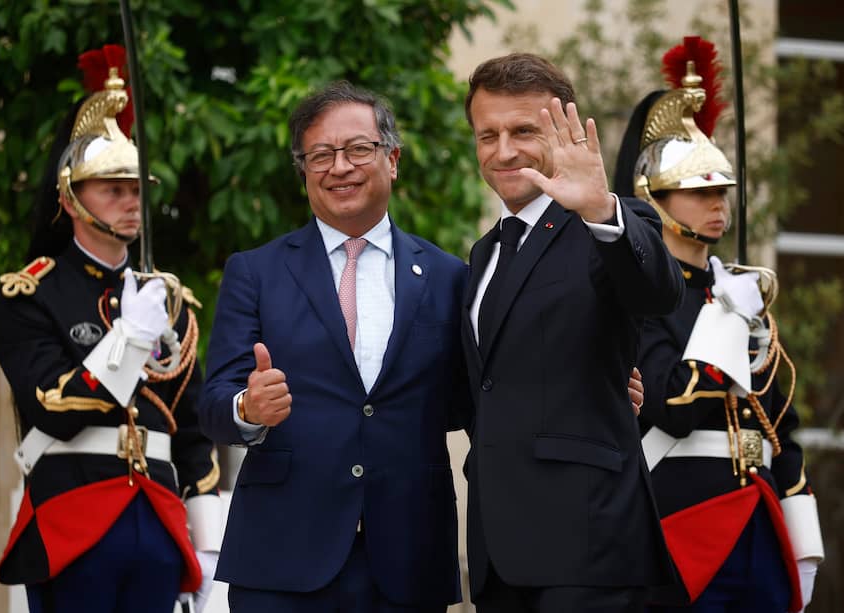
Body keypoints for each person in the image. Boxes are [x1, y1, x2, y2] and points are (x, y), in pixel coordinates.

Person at [198, 80, 470, 612]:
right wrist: (247, 409)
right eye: (320, 155)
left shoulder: (448, 275)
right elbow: (212, 406)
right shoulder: (255, 272)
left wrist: (587, 392)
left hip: (409, 555)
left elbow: (475, 398)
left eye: (358, 149)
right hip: (283, 558)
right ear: (304, 170)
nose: (339, 167)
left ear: (391, 159)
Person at [0, 45, 222, 613]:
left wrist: (210, 541)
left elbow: (191, 431)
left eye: (137, 189)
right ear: (71, 199)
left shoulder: (170, 300)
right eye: (113, 190)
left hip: (161, 521)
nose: (130, 202)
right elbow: (51, 403)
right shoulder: (31, 291)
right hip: (76, 516)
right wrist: (129, 340)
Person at [461, 52, 685, 612]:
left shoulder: (608, 222)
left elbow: (657, 293)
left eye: (523, 131)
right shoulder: (484, 252)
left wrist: (601, 210)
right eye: (487, 135)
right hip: (498, 547)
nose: (503, 150)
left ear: (563, 130)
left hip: (588, 541)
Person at [613, 36, 824, 612]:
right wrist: (729, 314)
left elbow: (779, 421)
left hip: (759, 514)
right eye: (698, 191)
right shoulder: (642, 295)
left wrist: (799, 519)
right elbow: (672, 406)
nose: (718, 205)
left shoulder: (735, 288)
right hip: (680, 524)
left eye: (721, 191)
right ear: (653, 198)